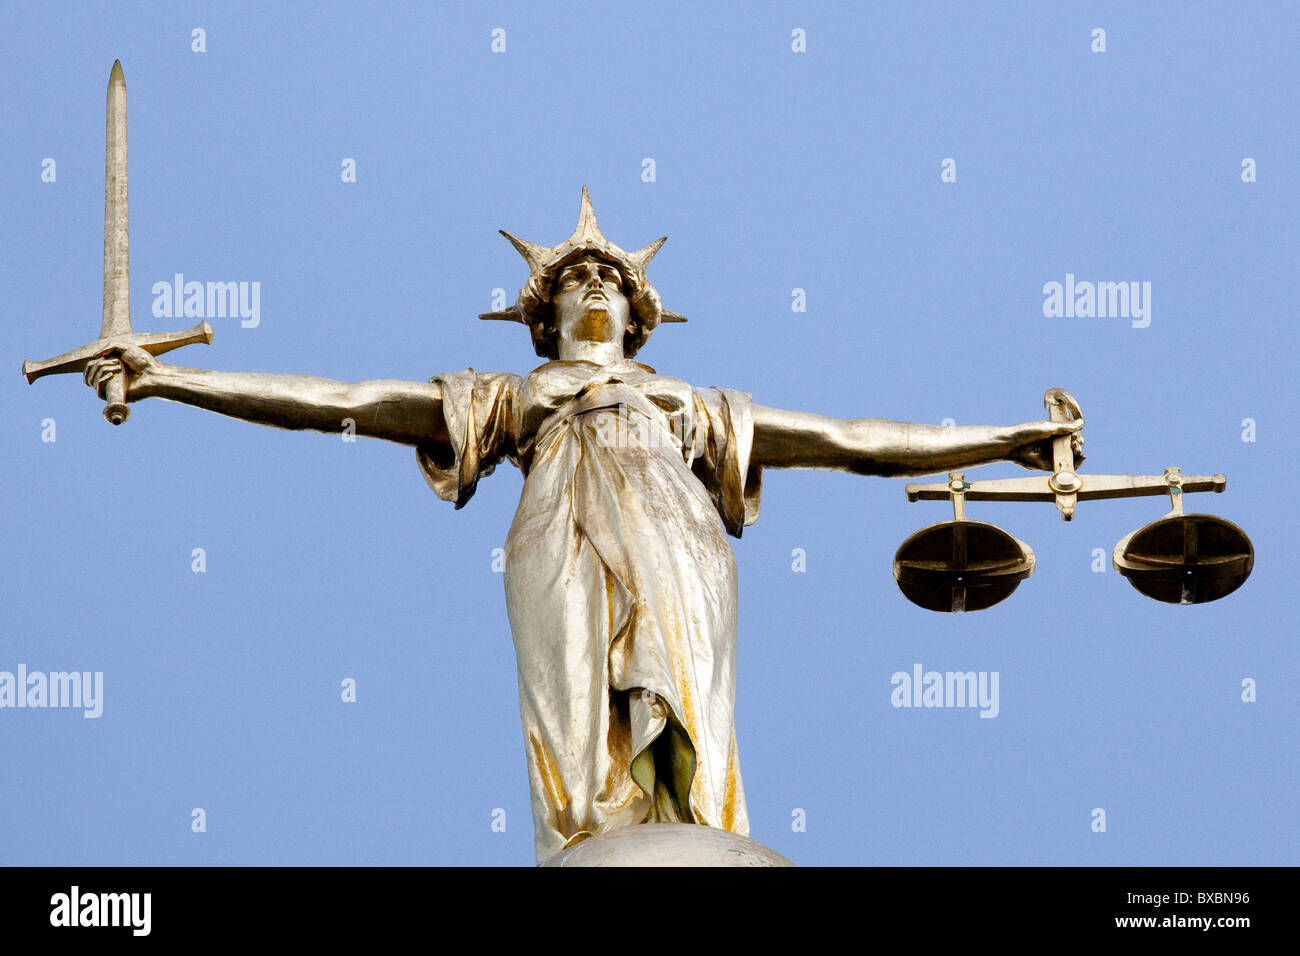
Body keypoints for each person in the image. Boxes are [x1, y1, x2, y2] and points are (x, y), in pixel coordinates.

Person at [85, 189, 1082, 862]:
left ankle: (690, 826)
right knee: (576, 727)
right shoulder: (517, 399)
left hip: (679, 541)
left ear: (640, 312)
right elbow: (347, 397)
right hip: (556, 538)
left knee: (691, 710)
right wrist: (174, 377)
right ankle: (590, 837)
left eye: (611, 277)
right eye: (574, 278)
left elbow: (850, 436)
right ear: (544, 308)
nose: (594, 282)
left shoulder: (690, 407)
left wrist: (1004, 438)